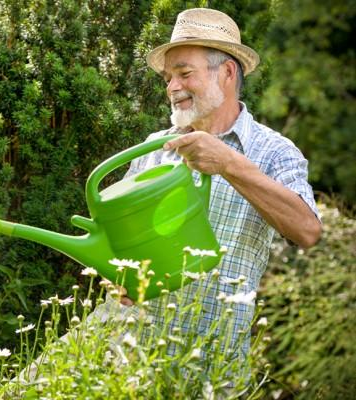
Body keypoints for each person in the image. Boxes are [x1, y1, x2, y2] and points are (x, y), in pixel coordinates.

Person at [109, 7, 322, 357]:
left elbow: (307, 230)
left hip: (215, 363)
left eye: (184, 73)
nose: (172, 87)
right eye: (167, 78)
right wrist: (119, 276)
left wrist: (228, 164)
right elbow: (124, 243)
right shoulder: (154, 146)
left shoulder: (274, 152)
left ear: (226, 71)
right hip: (134, 358)